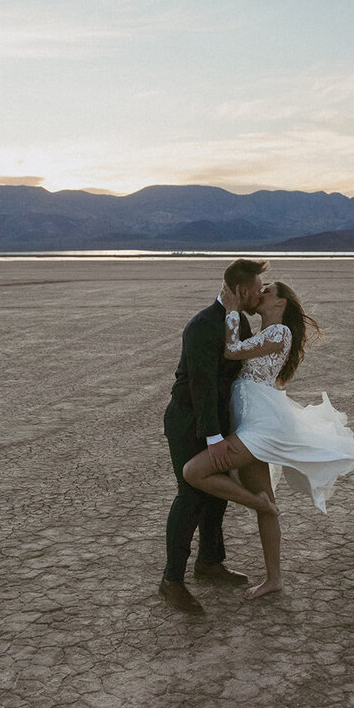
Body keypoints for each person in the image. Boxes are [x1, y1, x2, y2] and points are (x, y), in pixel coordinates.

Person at [182, 280, 354, 600]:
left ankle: (256, 503)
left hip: (260, 427)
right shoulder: (264, 333)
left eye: (268, 292)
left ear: (280, 304)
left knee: (194, 472)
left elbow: (231, 350)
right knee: (269, 505)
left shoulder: (280, 333)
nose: (261, 294)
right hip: (250, 421)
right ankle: (274, 579)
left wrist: (233, 311)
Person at [159, 258, 268, 615]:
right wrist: (213, 437)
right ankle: (171, 581)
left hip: (216, 420)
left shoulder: (240, 322)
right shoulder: (203, 325)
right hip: (189, 418)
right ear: (241, 290)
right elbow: (203, 387)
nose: (260, 294)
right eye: (256, 290)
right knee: (191, 493)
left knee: (216, 493)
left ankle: (209, 563)